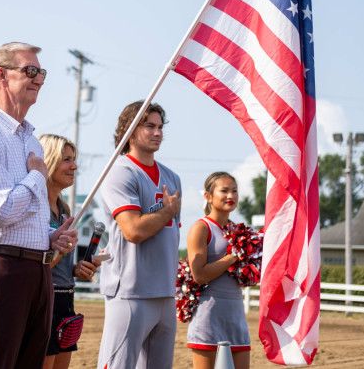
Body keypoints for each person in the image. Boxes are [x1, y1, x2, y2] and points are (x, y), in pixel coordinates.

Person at [0, 42, 79, 369]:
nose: (39, 78)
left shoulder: (31, 141)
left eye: (41, 72)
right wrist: (38, 177)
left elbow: (18, 214)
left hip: (37, 271)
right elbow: (0, 210)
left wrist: (48, 240)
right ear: (1, 76)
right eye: (30, 70)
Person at [97, 101, 182, 369]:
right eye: (149, 126)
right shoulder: (120, 171)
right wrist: (166, 212)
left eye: (160, 127)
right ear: (130, 131)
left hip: (165, 291)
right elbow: (133, 230)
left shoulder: (172, 177)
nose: (157, 133)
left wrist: (165, 215)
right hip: (131, 292)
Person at [39, 134, 103, 369]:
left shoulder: (65, 210)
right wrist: (60, 253)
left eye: (73, 159)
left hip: (66, 300)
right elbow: (38, 264)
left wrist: (78, 269)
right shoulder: (36, 209)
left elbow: (60, 262)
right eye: (66, 159)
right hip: (44, 299)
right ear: (48, 161)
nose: (74, 166)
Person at [186, 172, 250, 369]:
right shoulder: (201, 228)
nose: (230, 196)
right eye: (224, 191)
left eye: (234, 191)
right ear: (208, 196)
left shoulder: (238, 230)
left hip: (235, 313)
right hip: (209, 315)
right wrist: (233, 256)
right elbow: (199, 275)